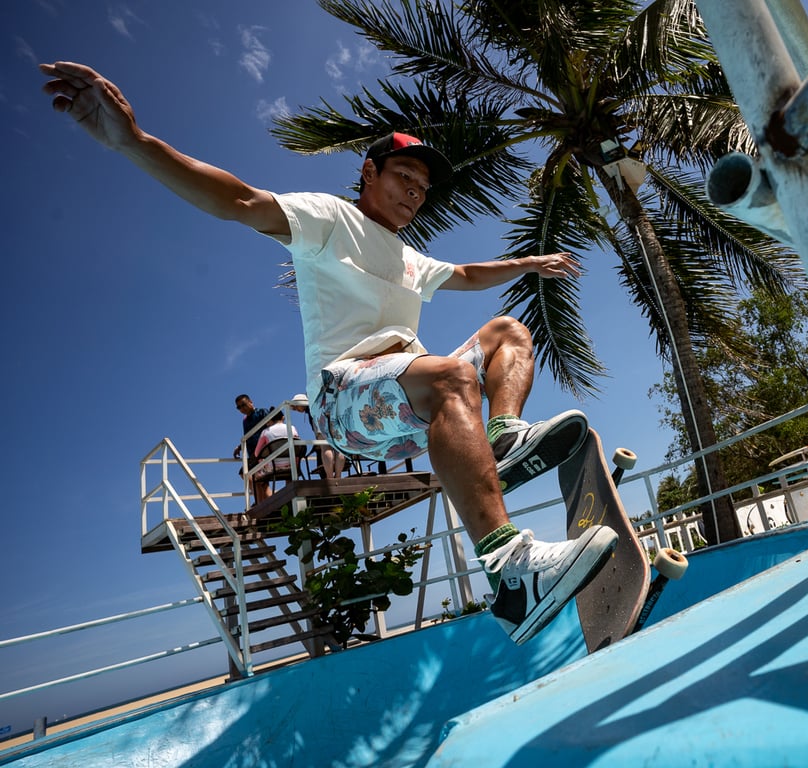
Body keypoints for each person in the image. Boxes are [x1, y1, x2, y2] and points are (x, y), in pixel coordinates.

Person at [41, 61, 617, 645]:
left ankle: (502, 439)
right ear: (369, 171)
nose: (414, 196)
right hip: (345, 400)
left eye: (422, 190)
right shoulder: (328, 219)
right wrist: (136, 142)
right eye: (404, 180)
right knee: (448, 375)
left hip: (407, 402)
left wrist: (529, 263)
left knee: (509, 334)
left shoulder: (412, 258)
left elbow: (467, 271)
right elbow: (239, 201)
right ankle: (511, 574)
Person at [290, 392, 345, 479]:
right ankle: (338, 476)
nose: (296, 409)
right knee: (339, 448)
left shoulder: (312, 409)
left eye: (296, 406)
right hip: (334, 418)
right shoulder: (321, 401)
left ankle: (330, 476)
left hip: (320, 420)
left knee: (326, 448)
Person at [252, 410, 303, 500]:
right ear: (283, 418)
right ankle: (289, 498)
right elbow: (297, 446)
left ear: (269, 420)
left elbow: (257, 453)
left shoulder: (266, 432)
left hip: (273, 468)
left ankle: (262, 504)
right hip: (292, 465)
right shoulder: (292, 428)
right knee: (290, 474)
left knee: (254, 477)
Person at [233, 394, 270, 503]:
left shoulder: (262, 412)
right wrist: (240, 447)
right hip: (253, 454)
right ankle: (266, 504)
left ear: (251, 402)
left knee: (252, 476)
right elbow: (248, 436)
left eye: (243, 405)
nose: (242, 409)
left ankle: (260, 503)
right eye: (238, 407)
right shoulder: (245, 421)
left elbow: (270, 429)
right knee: (259, 482)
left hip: (264, 452)